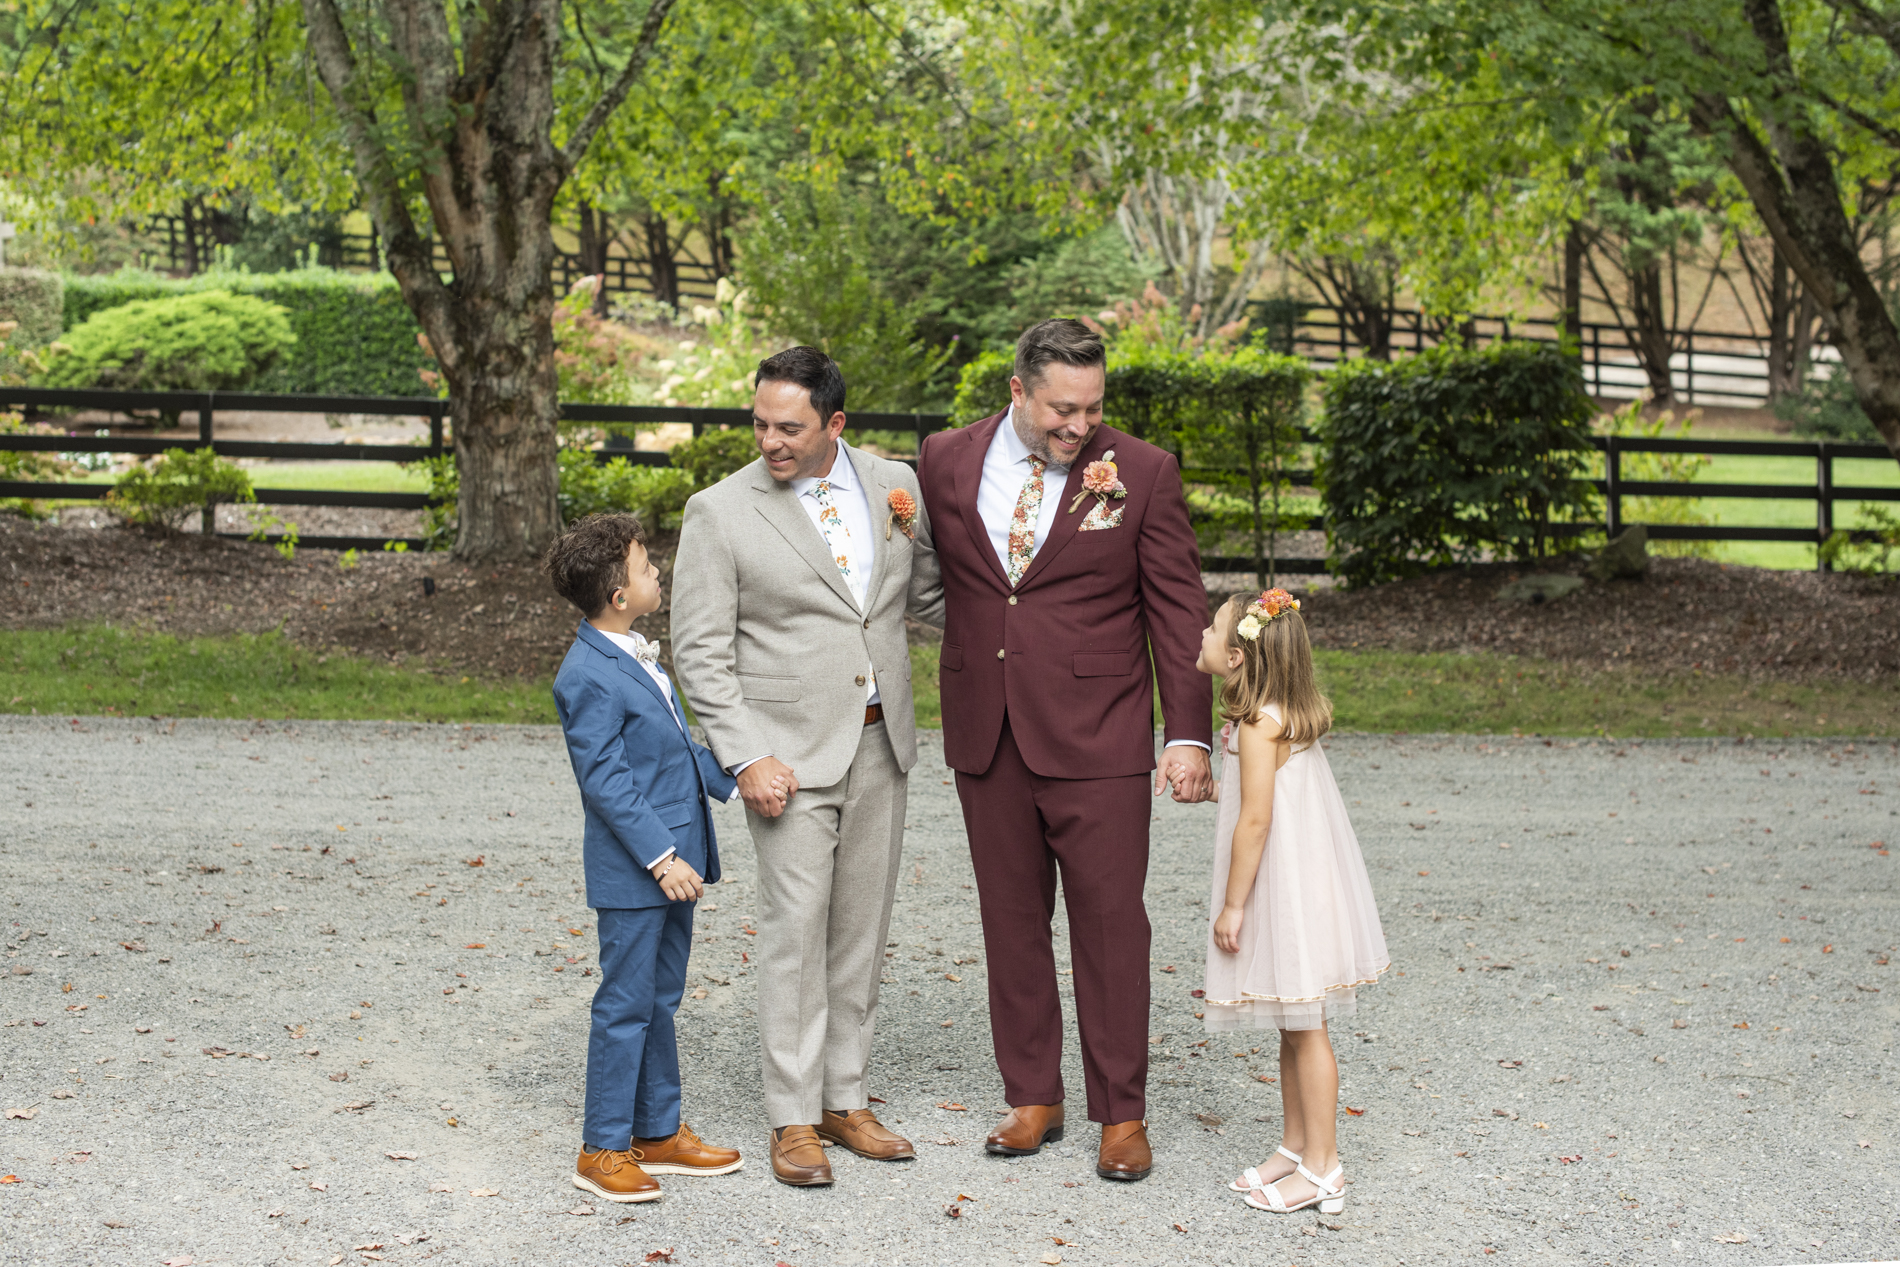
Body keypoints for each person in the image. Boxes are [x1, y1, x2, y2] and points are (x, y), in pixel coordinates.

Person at [915, 318, 1214, 1182]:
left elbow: (1176, 609)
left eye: (1091, 408)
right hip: (988, 726)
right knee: (1010, 921)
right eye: (1060, 408)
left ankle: (1121, 1112)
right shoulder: (944, 459)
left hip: (1102, 733)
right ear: (1017, 391)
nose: (1078, 426)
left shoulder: (1144, 472)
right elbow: (938, 577)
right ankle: (1032, 1095)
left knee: (1113, 926)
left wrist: (1186, 733)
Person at [672, 346, 945, 1187]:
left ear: (835, 424)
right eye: (760, 423)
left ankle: (845, 1094)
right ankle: (792, 1116)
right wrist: (746, 754)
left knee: (860, 929)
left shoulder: (895, 481)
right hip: (784, 758)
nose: (770, 441)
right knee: (796, 935)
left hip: (881, 739)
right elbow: (701, 652)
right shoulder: (719, 512)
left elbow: (928, 594)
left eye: (789, 427)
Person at [544, 512, 746, 1204]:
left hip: (674, 863)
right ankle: (602, 1146)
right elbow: (606, 781)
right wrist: (662, 858)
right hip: (641, 871)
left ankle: (657, 1129)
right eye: (645, 565)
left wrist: (739, 777)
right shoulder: (587, 674)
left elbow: (674, 751)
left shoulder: (631, 653)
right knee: (625, 1003)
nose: (657, 570)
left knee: (660, 998)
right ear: (618, 594)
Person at [1194, 587, 1389, 1215]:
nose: (1202, 632)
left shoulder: (1259, 724)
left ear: (1238, 657)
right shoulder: (1271, 715)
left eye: (1213, 626)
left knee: (1307, 1028)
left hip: (1280, 888)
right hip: (1291, 878)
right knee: (1291, 1021)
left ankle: (1326, 1167)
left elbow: (1255, 822)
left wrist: (1233, 906)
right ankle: (1296, 1146)